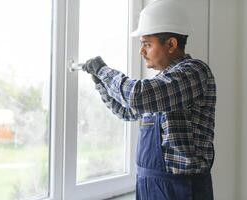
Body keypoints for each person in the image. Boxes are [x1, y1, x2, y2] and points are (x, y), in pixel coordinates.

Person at [81, 0, 216, 199]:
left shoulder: (194, 72)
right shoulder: (161, 83)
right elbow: (126, 111)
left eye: (147, 44)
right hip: (149, 184)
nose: (141, 51)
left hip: (182, 188)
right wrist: (101, 83)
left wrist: (103, 71)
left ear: (171, 44)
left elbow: (137, 96)